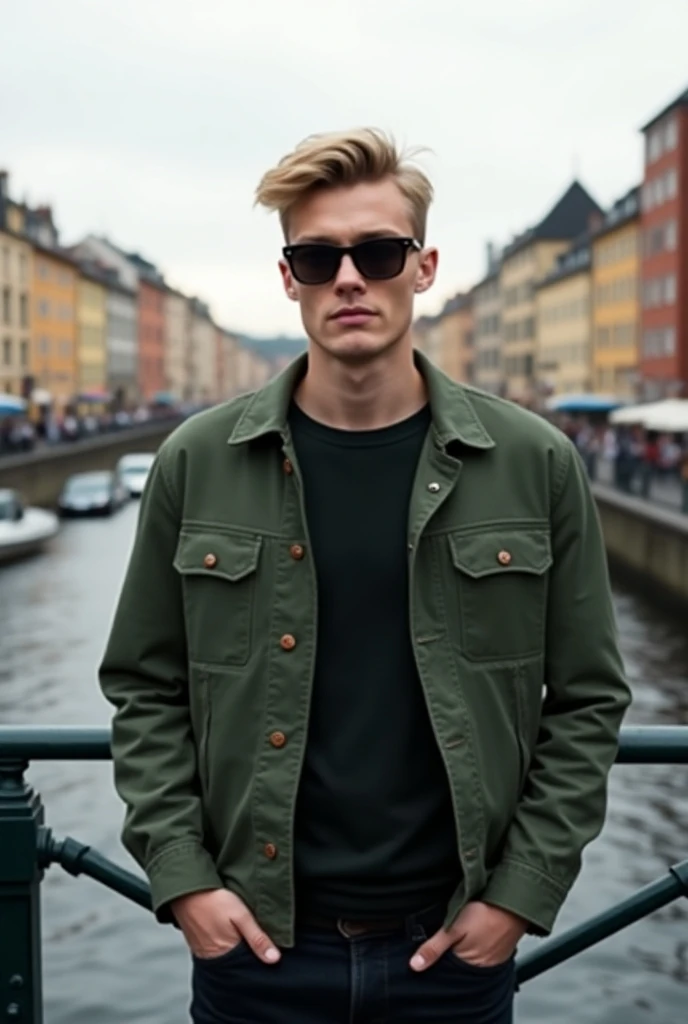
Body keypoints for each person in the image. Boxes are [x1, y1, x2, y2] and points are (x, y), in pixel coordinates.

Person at [99, 128, 631, 1024]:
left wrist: (517, 896)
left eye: (378, 253)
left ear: (423, 268)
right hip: (259, 951)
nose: (349, 279)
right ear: (289, 278)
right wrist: (184, 879)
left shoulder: (534, 462)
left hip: (451, 952)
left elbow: (586, 698)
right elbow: (143, 687)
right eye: (317, 256)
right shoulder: (197, 461)